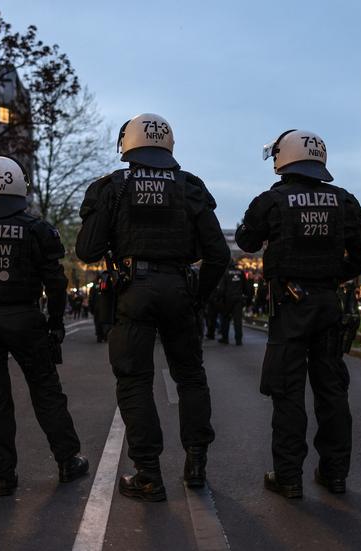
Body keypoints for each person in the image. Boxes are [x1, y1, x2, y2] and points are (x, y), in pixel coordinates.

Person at [76, 113, 230, 501]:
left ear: (126, 145)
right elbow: (217, 254)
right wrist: (197, 297)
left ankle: (148, 473)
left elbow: (87, 249)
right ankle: (196, 464)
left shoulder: (112, 187)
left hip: (134, 290)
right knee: (191, 377)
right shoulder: (189, 186)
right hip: (178, 287)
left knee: (134, 381)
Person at [236, 129, 361, 498]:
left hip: (290, 305)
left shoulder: (273, 200)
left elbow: (247, 241)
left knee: (288, 392)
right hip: (328, 304)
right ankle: (335, 474)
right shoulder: (344, 201)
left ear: (284, 159)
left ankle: (289, 477)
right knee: (332, 391)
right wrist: (330, 275)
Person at [0, 156, 88, 496]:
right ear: (19, 186)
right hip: (25, 318)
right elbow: (56, 282)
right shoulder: (37, 230)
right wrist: (55, 324)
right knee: (46, 391)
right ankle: (68, 460)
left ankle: (2, 475)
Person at [217, 262, 252, 345]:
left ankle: (225, 338)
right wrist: (247, 298)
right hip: (238, 299)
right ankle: (238, 340)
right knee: (238, 320)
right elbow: (245, 287)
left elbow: (222, 288)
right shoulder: (241, 272)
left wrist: (219, 298)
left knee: (225, 319)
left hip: (228, 299)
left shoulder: (225, 273)